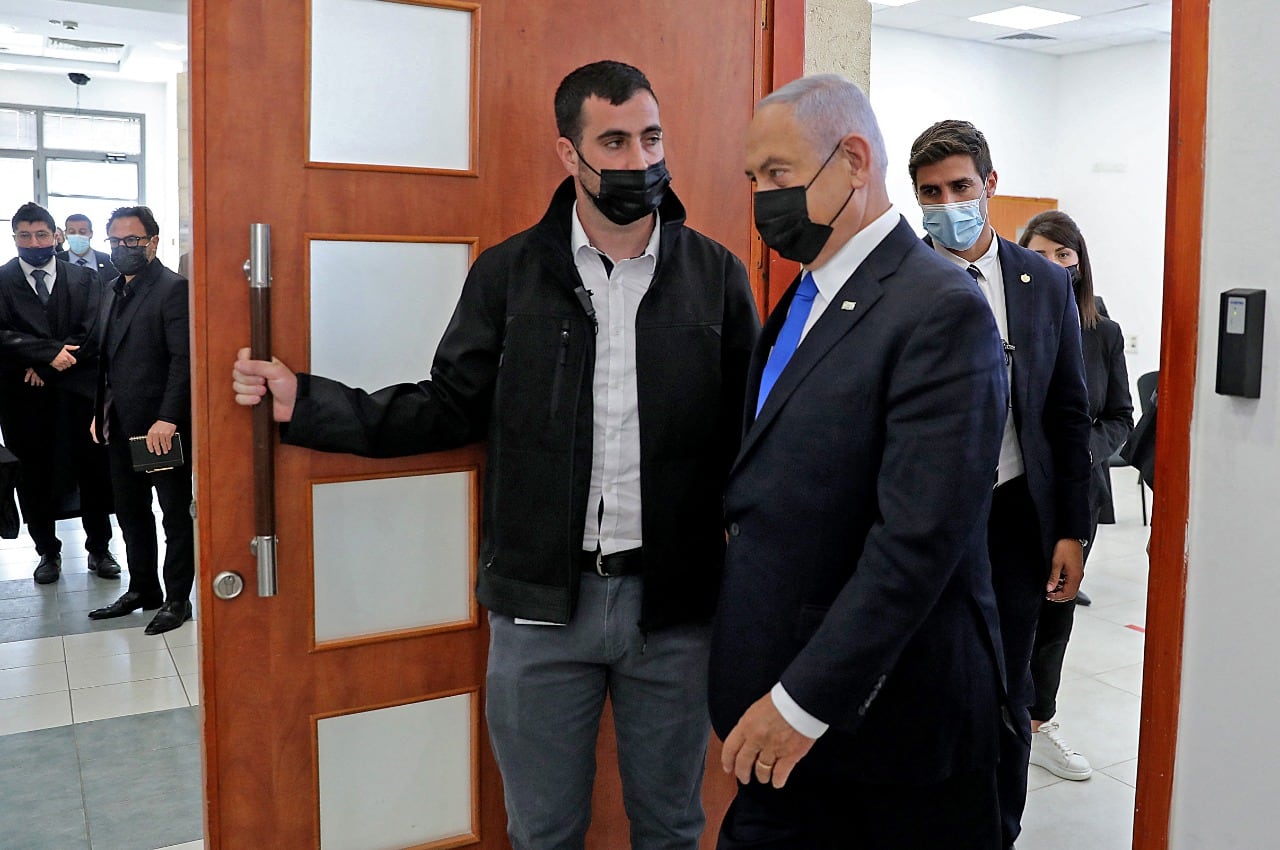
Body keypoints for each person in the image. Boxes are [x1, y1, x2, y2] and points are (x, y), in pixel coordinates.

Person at [232, 60, 760, 850]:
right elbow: (446, 406)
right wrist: (306, 403)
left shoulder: (717, 276)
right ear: (567, 153)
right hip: (540, 608)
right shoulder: (512, 274)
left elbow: (750, 437)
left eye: (651, 137)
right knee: (542, 831)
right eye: (612, 141)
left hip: (675, 609)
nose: (638, 161)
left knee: (674, 826)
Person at [710, 74, 1009, 850]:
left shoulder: (938, 306)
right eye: (752, 179)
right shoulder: (801, 299)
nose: (761, 197)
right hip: (785, 720)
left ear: (852, 161)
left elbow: (917, 540)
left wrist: (803, 702)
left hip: (880, 731)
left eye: (777, 174)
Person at [908, 120, 1092, 848]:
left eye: (959, 186)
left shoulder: (1042, 282)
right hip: (922, 520)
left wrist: (1073, 529)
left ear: (989, 185)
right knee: (925, 683)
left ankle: (998, 829)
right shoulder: (894, 282)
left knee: (1008, 688)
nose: (946, 202)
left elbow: (1069, 413)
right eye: (929, 192)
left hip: (1014, 516)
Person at [1019, 210, 1134, 782]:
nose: (1054, 265)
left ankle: (1040, 723)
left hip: (1075, 490)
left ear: (1079, 264)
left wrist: (1084, 449)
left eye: (1064, 255)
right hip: (1013, 490)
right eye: (1041, 254)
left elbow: (1120, 415)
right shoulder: (1006, 320)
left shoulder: (1102, 331)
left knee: (1054, 613)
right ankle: (999, 718)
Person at [87, 205, 194, 636]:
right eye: (116, 241)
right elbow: (106, 359)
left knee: (172, 514)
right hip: (119, 423)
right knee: (130, 512)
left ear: (152, 241)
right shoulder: (111, 288)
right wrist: (99, 412)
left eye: (132, 240)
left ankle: (176, 599)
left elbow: (183, 360)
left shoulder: (172, 288)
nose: (123, 248)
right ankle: (142, 589)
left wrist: (168, 417)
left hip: (158, 429)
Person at [0, 202, 120, 583]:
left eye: (40, 234)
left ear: (56, 237)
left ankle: (99, 550)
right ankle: (47, 553)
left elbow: (93, 331)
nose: (33, 242)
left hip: (78, 394)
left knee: (93, 472)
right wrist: (47, 354)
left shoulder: (85, 279)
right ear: (14, 237)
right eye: (24, 235)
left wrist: (48, 364)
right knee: (33, 477)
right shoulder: (1, 281)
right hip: (24, 399)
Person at [58, 214, 119, 288]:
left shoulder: (106, 259)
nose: (77, 235)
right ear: (66, 234)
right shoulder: (58, 260)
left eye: (82, 232)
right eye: (72, 232)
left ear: (91, 234)